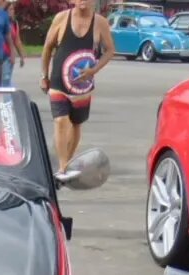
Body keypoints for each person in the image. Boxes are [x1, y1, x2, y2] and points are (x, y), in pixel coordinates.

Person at [39, 0, 114, 178]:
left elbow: (110, 50)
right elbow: (47, 48)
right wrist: (44, 76)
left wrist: (94, 69)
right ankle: (62, 166)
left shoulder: (100, 22)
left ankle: (69, 161)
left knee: (76, 123)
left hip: (82, 87)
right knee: (60, 121)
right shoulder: (61, 18)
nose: (83, 1)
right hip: (58, 81)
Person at [2, 0, 27, 86]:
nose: (11, 11)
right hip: (2, 56)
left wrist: (22, 56)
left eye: (12, 9)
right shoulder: (1, 22)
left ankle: (8, 97)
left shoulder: (14, 23)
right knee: (5, 79)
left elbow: (17, 40)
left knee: (7, 78)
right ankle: (7, 99)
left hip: (10, 56)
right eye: (9, 9)